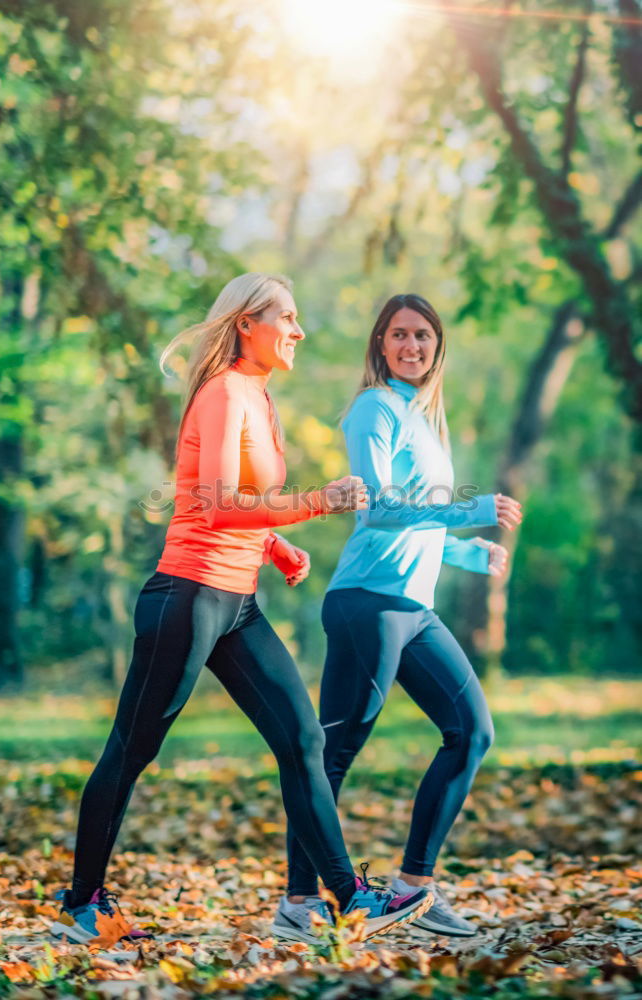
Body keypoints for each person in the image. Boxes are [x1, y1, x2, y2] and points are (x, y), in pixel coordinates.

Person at [50, 274, 430, 946]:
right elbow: (219, 503)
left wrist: (275, 543)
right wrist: (317, 503)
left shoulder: (256, 394)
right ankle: (84, 902)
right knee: (132, 749)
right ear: (247, 324)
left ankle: (351, 899)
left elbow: (227, 502)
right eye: (287, 316)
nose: (299, 330)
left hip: (235, 603)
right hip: (188, 598)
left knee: (302, 738)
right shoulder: (227, 391)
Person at [275, 293, 522, 942]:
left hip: (414, 609)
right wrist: (471, 511)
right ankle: (300, 901)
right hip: (367, 605)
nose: (412, 346)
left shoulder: (422, 418)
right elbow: (378, 508)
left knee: (470, 731)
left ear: (437, 346)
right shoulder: (374, 408)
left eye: (423, 336)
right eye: (399, 335)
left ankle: (414, 885)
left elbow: (417, 527)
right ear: (381, 346)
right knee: (331, 757)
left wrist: (469, 552)